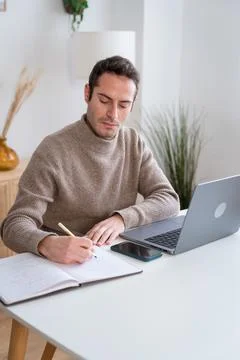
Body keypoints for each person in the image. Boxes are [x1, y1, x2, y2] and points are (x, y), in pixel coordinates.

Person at [1, 56, 180, 264]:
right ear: (87, 94)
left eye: (123, 105)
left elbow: (169, 199)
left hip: (115, 256)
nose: (113, 114)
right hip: (60, 262)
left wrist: (121, 219)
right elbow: (14, 225)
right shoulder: (53, 149)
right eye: (104, 100)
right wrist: (47, 243)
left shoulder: (133, 142)